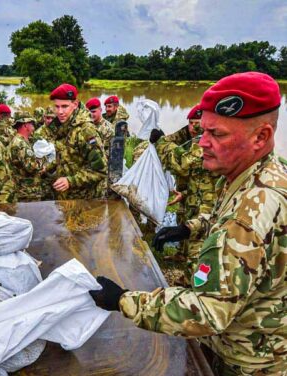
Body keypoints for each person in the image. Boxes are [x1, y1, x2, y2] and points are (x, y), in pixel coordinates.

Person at [90, 72, 286, 375]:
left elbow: (208, 312)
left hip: (248, 361)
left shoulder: (249, 213)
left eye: (217, 135)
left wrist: (124, 301)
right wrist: (191, 227)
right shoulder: (264, 174)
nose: (202, 143)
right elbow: (234, 222)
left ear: (261, 136)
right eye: (203, 131)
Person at [151, 106, 221, 270]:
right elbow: (197, 176)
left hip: (207, 204)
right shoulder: (193, 138)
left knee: (197, 244)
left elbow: (182, 164)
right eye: (190, 123)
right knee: (183, 223)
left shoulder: (206, 143)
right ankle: (181, 255)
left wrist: (161, 141)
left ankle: (191, 281)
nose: (192, 127)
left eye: (197, 124)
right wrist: (183, 193)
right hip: (193, 196)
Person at [48, 84, 107, 200]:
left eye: (64, 106)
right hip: (67, 198)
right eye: (57, 106)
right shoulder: (63, 126)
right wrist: (48, 167)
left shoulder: (86, 131)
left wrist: (71, 181)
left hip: (84, 200)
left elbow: (101, 171)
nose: (60, 111)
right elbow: (66, 156)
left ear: (75, 104)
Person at [9, 111, 44, 201]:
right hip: (27, 193)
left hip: (25, 190)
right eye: (31, 123)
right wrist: (42, 161)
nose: (33, 127)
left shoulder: (19, 141)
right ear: (25, 125)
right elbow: (31, 167)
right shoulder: (21, 144)